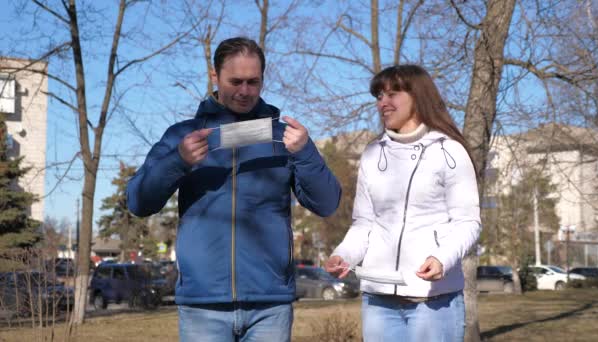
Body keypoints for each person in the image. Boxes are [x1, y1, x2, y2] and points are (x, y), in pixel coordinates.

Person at [127, 37, 341, 342]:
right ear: (214, 77)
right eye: (235, 81)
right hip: (203, 304)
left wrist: (306, 153)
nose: (244, 91)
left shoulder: (284, 137)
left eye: (253, 82)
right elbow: (137, 201)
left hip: (270, 304)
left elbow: (328, 203)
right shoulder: (183, 135)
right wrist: (178, 161)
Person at [325, 64, 480, 341]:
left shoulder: (450, 151)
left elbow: (468, 223)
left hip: (433, 301)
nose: (383, 102)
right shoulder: (373, 154)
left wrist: (441, 258)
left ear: (418, 97)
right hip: (378, 299)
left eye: (392, 94)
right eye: (379, 96)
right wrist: (344, 255)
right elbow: (364, 223)